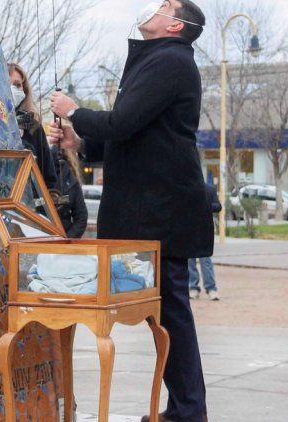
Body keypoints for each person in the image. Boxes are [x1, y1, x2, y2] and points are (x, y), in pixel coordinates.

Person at [48, 1, 211, 420]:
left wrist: (73, 110)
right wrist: (78, 143)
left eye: (164, 5)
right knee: (169, 315)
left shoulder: (171, 61)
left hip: (163, 212)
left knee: (172, 314)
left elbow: (121, 122)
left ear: (175, 24)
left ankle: (188, 413)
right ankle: (183, 411)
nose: (153, 7)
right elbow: (131, 136)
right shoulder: (156, 59)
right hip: (152, 209)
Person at [8, 63, 58, 190]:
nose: (13, 89)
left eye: (17, 85)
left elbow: (48, 176)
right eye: (7, 83)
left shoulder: (33, 127)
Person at [189, 183, 221, 301]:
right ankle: (193, 288)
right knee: (190, 261)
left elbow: (218, 206)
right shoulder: (187, 188)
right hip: (189, 229)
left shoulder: (210, 189)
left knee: (206, 261)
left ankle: (211, 288)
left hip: (204, 230)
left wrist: (205, 205)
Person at [51, 145, 88, 238]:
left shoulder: (71, 180)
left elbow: (81, 217)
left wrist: (67, 239)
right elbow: (81, 217)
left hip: (38, 239)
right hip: (62, 237)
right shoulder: (72, 179)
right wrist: (68, 238)